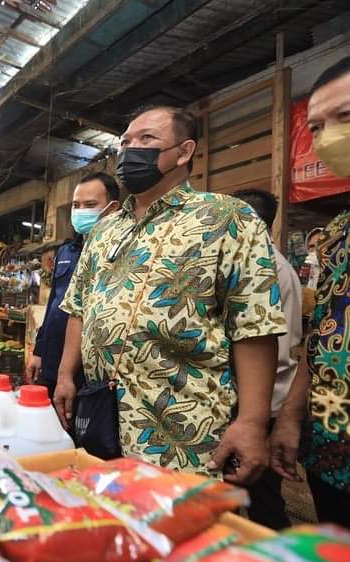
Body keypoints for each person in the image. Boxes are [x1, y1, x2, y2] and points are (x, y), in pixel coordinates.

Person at [55, 106, 286, 484]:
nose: (131, 150)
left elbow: (254, 325)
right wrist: (66, 374)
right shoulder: (103, 231)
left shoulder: (227, 218)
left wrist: (251, 421)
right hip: (100, 414)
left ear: (184, 151)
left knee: (177, 535)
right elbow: (78, 305)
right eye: (126, 141)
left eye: (148, 139)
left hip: (183, 431)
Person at [269, 56, 350, 527]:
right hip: (333, 450)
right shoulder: (338, 231)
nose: (328, 137)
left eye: (346, 117)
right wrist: (291, 416)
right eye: (316, 126)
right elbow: (321, 337)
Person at [233, 188, 302, 529]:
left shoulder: (266, 267)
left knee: (262, 501)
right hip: (262, 399)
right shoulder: (263, 262)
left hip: (262, 403)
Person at [26, 172, 120, 399]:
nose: (80, 211)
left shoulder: (119, 252)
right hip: (52, 358)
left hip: (90, 368)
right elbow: (53, 304)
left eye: (90, 205)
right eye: (76, 205)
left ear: (113, 208)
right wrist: (39, 351)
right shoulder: (67, 251)